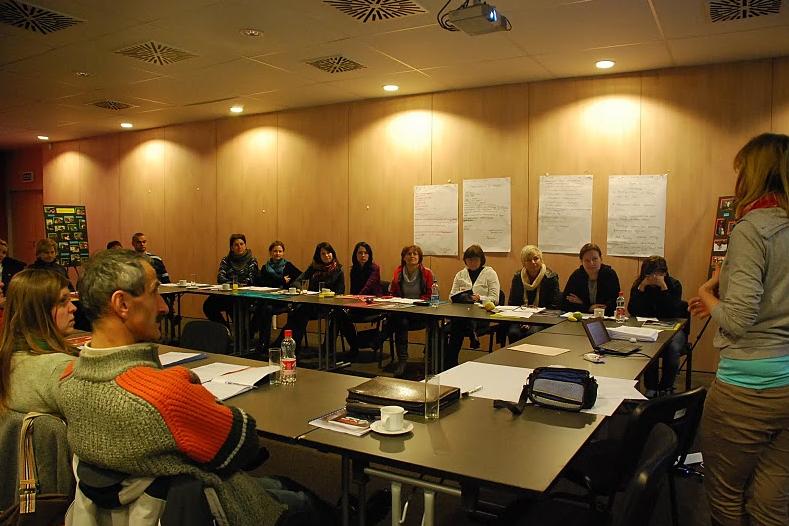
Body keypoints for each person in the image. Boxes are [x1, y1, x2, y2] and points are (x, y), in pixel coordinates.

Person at [57, 249, 333, 525]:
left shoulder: (68, 380)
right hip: (213, 507)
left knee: (281, 484)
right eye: (154, 293)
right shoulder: (163, 394)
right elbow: (244, 444)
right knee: (307, 504)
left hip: (126, 508)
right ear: (122, 304)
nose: (164, 307)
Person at [689, 133, 789, 526]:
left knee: (726, 494)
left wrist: (706, 292)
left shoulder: (752, 228)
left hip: (748, 387)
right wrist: (725, 285)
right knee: (772, 501)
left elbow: (737, 320)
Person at [0, 269, 77, 414]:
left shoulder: (8, 356)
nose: (73, 308)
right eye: (62, 301)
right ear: (37, 311)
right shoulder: (61, 368)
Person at [627, 256, 687, 397]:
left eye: (659, 273)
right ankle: (651, 387)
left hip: (672, 327)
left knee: (673, 348)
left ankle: (666, 386)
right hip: (647, 327)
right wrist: (641, 289)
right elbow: (633, 311)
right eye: (651, 274)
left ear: (665, 273)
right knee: (649, 344)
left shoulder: (674, 284)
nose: (654, 277)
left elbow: (673, 311)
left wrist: (664, 288)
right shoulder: (639, 285)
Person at [279, 242, 345, 351]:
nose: (326, 255)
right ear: (319, 256)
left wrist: (327, 293)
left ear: (333, 253)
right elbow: (297, 281)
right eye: (323, 254)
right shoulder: (314, 268)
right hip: (312, 303)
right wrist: (301, 289)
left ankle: (287, 346)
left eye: (329, 252)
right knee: (296, 312)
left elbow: (340, 292)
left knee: (300, 312)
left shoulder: (338, 271)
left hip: (328, 305)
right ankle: (289, 346)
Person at [445, 245, 500, 369]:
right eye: (469, 260)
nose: (472, 262)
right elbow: (451, 296)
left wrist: (479, 298)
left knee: (456, 326)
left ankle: (449, 363)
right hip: (462, 314)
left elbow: (495, 298)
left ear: (481, 260)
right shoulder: (460, 275)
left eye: (475, 259)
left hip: (481, 316)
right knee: (452, 326)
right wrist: (463, 297)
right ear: (465, 260)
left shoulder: (490, 273)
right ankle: (471, 332)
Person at [385, 245, 434, 378]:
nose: (412, 256)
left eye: (415, 254)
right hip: (403, 312)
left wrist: (415, 303)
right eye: (408, 254)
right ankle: (402, 361)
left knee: (397, 321)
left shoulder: (427, 273)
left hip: (420, 312)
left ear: (419, 257)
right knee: (400, 322)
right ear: (404, 257)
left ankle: (381, 336)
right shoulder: (398, 272)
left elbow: (430, 295)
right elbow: (393, 292)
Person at [506, 245, 562, 343]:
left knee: (531, 333)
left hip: (543, 317)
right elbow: (512, 303)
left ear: (541, 260)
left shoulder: (551, 277)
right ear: (523, 263)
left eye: (536, 258)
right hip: (521, 316)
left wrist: (534, 316)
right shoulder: (518, 277)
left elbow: (554, 306)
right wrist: (524, 317)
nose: (533, 262)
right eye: (528, 260)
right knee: (513, 333)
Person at [337, 242, 384, 359]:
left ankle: (356, 344)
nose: (363, 255)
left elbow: (367, 287)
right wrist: (350, 300)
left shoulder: (375, 268)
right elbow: (353, 290)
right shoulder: (354, 269)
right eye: (360, 253)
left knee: (343, 313)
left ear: (369, 255)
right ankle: (353, 346)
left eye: (366, 253)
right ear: (355, 255)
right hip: (358, 304)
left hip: (372, 304)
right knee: (338, 314)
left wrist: (356, 298)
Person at [203, 233, 260, 327]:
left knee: (233, 305)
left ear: (245, 245)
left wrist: (232, 282)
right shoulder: (226, 260)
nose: (239, 247)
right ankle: (224, 329)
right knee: (208, 305)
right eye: (236, 245)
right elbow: (220, 278)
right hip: (228, 294)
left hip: (244, 296)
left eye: (242, 244)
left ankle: (243, 333)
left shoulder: (252, 260)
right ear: (231, 247)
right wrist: (234, 283)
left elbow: (250, 280)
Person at [257, 241, 302, 349]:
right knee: (263, 309)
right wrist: (281, 280)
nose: (277, 253)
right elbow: (262, 283)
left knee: (264, 309)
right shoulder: (265, 268)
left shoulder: (288, 266)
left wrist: (292, 285)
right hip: (269, 299)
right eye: (275, 251)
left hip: (284, 300)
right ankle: (263, 342)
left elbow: (300, 276)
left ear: (283, 252)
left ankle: (268, 343)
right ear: (270, 252)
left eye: (280, 251)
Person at [561, 243, 620, 315]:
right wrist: (588, 308)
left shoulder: (609, 275)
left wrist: (582, 303)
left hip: (606, 318)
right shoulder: (576, 276)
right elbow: (565, 304)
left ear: (601, 259)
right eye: (587, 260)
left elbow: (615, 305)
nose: (591, 263)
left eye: (595, 259)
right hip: (581, 318)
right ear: (581, 262)